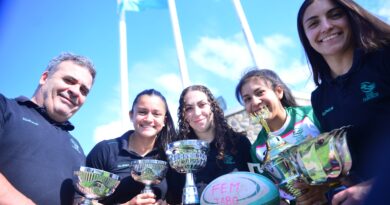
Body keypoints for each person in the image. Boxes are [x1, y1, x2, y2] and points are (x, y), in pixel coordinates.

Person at [297, 0, 390, 204]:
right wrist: (325, 190)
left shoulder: (384, 57)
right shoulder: (319, 98)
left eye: (335, 15)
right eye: (314, 23)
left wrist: (373, 187)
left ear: (350, 17)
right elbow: (348, 166)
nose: (326, 26)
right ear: (306, 38)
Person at [0, 52, 96, 204]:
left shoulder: (77, 147)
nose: (76, 91)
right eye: (69, 80)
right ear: (44, 78)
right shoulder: (5, 108)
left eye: (83, 90)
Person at [235, 68, 327, 204]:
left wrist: (325, 189)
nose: (254, 102)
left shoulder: (311, 115)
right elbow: (273, 193)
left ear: (278, 91)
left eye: (260, 92)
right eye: (247, 99)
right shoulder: (258, 149)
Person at [86, 89, 177, 205]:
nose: (149, 119)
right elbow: (86, 200)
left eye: (156, 114)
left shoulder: (170, 156)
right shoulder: (105, 150)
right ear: (131, 115)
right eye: (142, 112)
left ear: (164, 120)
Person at [167, 85, 252, 203]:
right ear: (184, 115)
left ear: (213, 106)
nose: (197, 113)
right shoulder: (179, 155)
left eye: (202, 105)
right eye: (189, 108)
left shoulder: (239, 143)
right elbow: (174, 199)